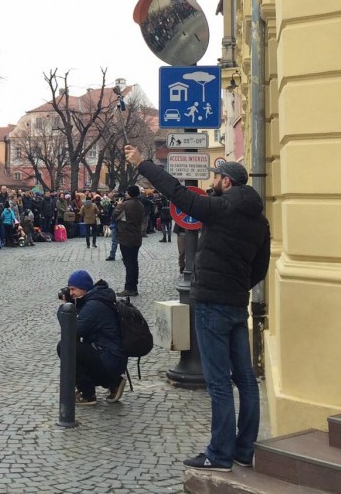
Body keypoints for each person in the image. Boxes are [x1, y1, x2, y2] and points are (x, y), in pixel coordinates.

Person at [126, 145, 270, 473]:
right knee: (245, 379)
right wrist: (236, 287)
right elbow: (260, 269)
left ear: (228, 182)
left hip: (210, 304)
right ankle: (244, 449)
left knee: (218, 381)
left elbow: (176, 192)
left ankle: (219, 454)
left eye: (218, 176)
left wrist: (142, 164)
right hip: (236, 304)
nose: (214, 180)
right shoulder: (260, 221)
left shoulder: (219, 210)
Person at [57, 269, 127, 405]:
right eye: (69, 290)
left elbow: (71, 331)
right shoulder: (97, 299)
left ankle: (88, 394)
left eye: (73, 289)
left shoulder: (93, 306)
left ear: (84, 288)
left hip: (109, 359)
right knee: (75, 347)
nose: (71, 293)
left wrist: (64, 308)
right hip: (112, 357)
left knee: (65, 347)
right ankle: (114, 382)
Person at [112, 185, 146, 297]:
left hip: (126, 237)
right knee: (134, 263)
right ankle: (134, 286)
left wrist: (118, 205)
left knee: (129, 264)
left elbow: (114, 215)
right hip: (136, 237)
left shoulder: (125, 204)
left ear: (130, 193)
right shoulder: (140, 205)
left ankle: (129, 288)